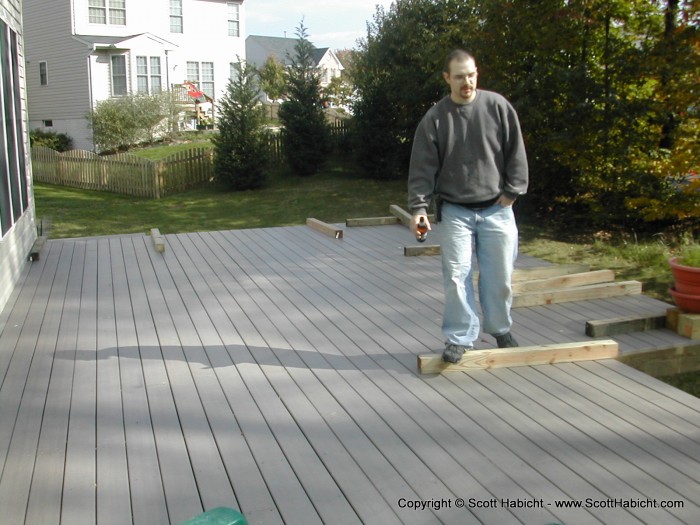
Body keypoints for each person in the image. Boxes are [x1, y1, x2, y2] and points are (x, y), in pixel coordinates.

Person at [407, 50, 529, 363]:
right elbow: (422, 169)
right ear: (447, 78)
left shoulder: (497, 107)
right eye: (460, 76)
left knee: (499, 276)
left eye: (471, 74)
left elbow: (516, 151)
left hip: (497, 208)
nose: (467, 82)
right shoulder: (435, 118)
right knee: (456, 276)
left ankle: (500, 328)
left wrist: (512, 192)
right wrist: (419, 209)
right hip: (456, 211)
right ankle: (460, 337)